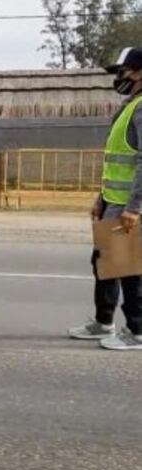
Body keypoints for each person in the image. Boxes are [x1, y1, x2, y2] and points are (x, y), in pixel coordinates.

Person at [68, 47, 142, 350]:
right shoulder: (129, 106)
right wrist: (101, 198)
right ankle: (104, 322)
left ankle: (136, 331)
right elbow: (116, 161)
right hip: (113, 202)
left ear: (138, 72)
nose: (118, 77)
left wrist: (134, 207)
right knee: (104, 262)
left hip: (129, 205)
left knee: (128, 268)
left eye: (122, 72)